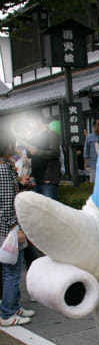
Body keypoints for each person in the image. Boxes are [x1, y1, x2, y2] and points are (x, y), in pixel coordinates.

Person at [0, 127, 35, 326]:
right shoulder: (3, 169)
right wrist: (16, 228)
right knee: (12, 272)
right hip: (8, 229)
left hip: (5, 227)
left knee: (9, 271)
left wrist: (21, 184)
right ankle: (7, 313)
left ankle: (13, 306)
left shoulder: (6, 166)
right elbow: (6, 203)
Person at [25, 116, 61, 199]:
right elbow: (30, 155)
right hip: (37, 179)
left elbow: (55, 153)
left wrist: (37, 151)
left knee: (49, 206)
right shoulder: (34, 136)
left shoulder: (51, 134)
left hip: (48, 179)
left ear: (39, 120)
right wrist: (27, 141)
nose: (30, 125)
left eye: (31, 122)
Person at [83, 118, 99, 183]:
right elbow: (86, 151)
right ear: (94, 126)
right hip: (92, 165)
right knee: (93, 183)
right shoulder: (89, 137)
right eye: (98, 125)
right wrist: (85, 162)